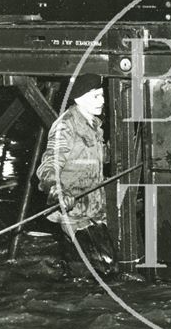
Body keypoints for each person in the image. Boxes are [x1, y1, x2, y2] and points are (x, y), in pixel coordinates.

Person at [36, 73, 117, 277]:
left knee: (105, 268)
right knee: (95, 272)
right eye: (96, 96)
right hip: (74, 214)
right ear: (79, 98)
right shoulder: (66, 126)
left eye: (102, 95)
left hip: (96, 210)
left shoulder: (95, 126)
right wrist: (58, 191)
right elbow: (49, 166)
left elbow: (95, 158)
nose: (103, 100)